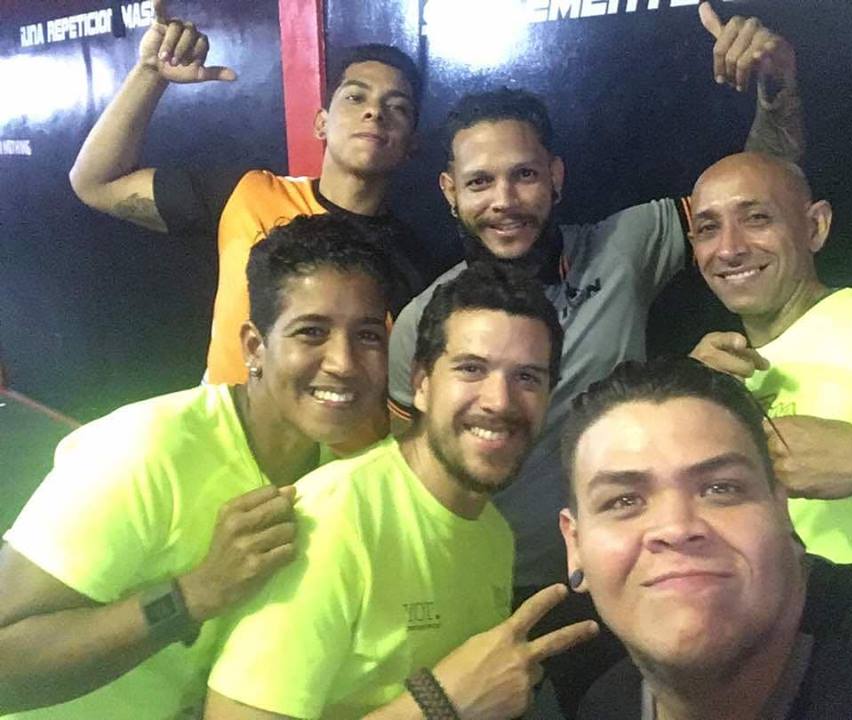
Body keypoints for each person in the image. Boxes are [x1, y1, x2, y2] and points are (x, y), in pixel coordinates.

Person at [387, 4, 805, 712]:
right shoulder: (421, 322)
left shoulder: (625, 244)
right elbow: (406, 473)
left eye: (524, 175)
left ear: (555, 176)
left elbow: (756, 198)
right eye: (480, 182)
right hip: (478, 596)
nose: (504, 200)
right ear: (450, 192)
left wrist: (776, 93)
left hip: (623, 571)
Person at [0, 214, 395, 718]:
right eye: (312, 332)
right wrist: (192, 594)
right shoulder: (144, 450)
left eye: (367, 336)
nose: (344, 362)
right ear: (254, 347)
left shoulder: (331, 473)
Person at [202, 262, 597, 719]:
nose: (499, 401)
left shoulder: (494, 535)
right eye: (471, 369)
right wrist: (441, 705)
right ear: (421, 385)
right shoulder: (334, 520)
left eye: (527, 377)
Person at [560, 357, 852, 719]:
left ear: (781, 509)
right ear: (575, 545)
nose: (676, 528)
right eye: (624, 501)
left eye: (720, 489)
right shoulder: (607, 705)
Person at [69, 0, 425, 397]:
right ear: (321, 123)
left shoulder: (415, 264)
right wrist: (149, 73)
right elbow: (97, 182)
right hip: (223, 424)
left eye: (397, 107)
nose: (375, 112)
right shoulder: (247, 194)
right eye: (356, 97)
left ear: (412, 143)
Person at [688, 151, 852, 564]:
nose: (729, 248)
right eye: (709, 228)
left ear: (815, 227)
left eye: (757, 218)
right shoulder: (712, 374)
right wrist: (685, 398)